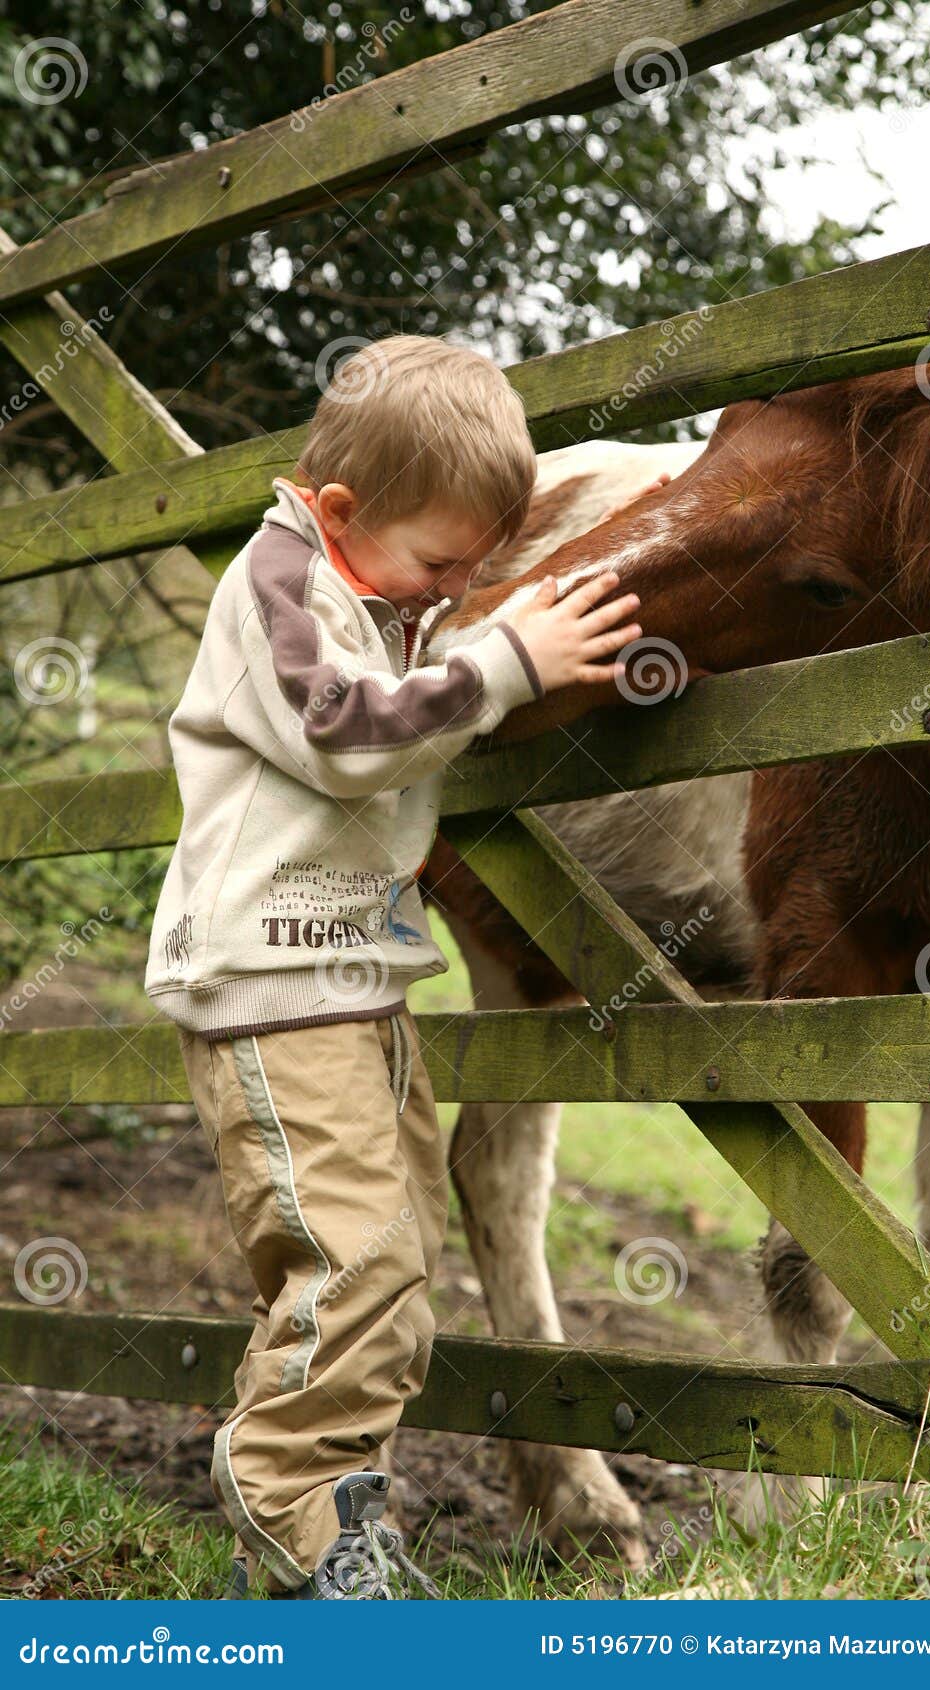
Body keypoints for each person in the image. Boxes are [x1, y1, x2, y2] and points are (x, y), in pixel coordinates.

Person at [144, 334, 643, 1599]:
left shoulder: (372, 597)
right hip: (268, 989)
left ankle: (343, 1507)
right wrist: (502, 659)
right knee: (354, 1258)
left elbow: (410, 694)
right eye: (440, 565)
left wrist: (459, 642)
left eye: (473, 576)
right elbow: (341, 735)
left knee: (395, 1264)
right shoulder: (279, 582)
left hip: (359, 991)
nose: (452, 596)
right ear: (339, 510)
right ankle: (293, 1506)